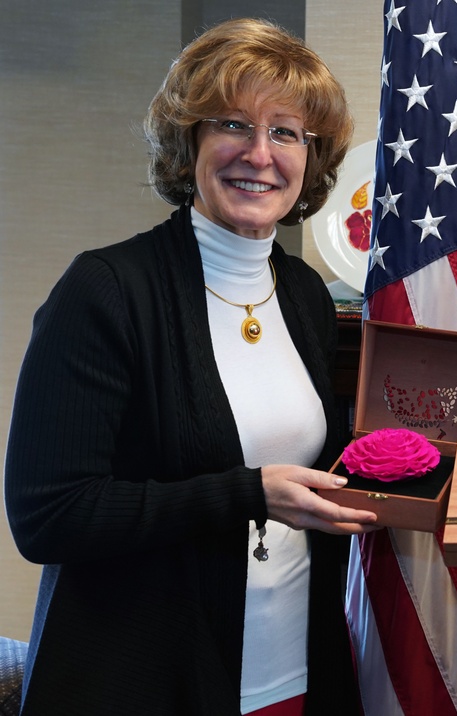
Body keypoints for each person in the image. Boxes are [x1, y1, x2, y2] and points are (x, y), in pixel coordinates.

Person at [4, 18, 379, 716]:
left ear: (312, 156)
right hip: (144, 675)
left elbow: (310, 467)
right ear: (191, 142)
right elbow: (48, 516)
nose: (259, 155)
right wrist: (246, 493)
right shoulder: (107, 290)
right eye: (232, 124)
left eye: (287, 132)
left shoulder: (301, 293)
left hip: (292, 661)